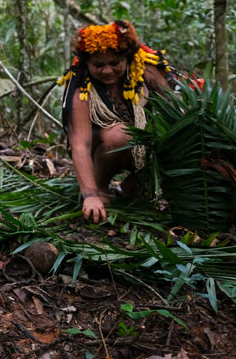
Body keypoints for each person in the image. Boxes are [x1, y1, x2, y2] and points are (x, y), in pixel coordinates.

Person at [58, 21, 173, 224]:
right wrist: (91, 196)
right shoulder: (81, 90)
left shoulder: (144, 72)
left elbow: (176, 109)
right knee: (122, 134)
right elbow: (80, 146)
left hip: (143, 144)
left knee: (168, 132)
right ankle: (101, 186)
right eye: (99, 65)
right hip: (101, 148)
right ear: (87, 63)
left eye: (115, 63)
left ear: (126, 57)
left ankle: (134, 185)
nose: (108, 70)